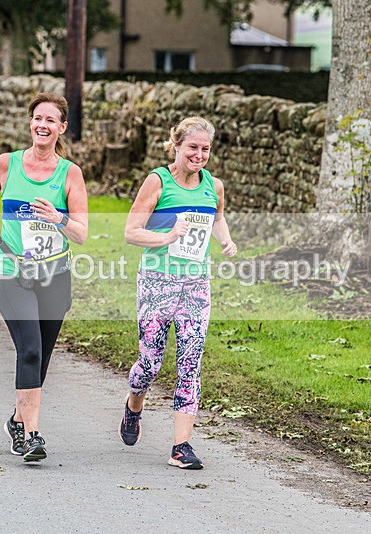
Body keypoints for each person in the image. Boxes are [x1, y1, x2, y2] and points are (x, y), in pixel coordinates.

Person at [0, 93, 88, 462]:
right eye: (38, 118)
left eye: (51, 120)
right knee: (31, 349)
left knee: (42, 356)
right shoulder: (7, 164)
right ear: (30, 122)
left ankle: (17, 421)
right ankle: (32, 436)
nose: (42, 125)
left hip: (55, 275)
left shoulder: (70, 173)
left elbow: (81, 232)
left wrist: (59, 218)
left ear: (62, 128)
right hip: (12, 271)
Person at [119, 116, 236, 469]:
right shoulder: (158, 181)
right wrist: (167, 237)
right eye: (192, 148)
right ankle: (133, 405)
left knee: (190, 362)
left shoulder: (213, 185)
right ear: (177, 146)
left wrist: (226, 239)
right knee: (150, 363)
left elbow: (215, 217)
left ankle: (181, 447)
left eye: (205, 149)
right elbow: (131, 231)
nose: (199, 155)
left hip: (196, 285)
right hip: (157, 280)